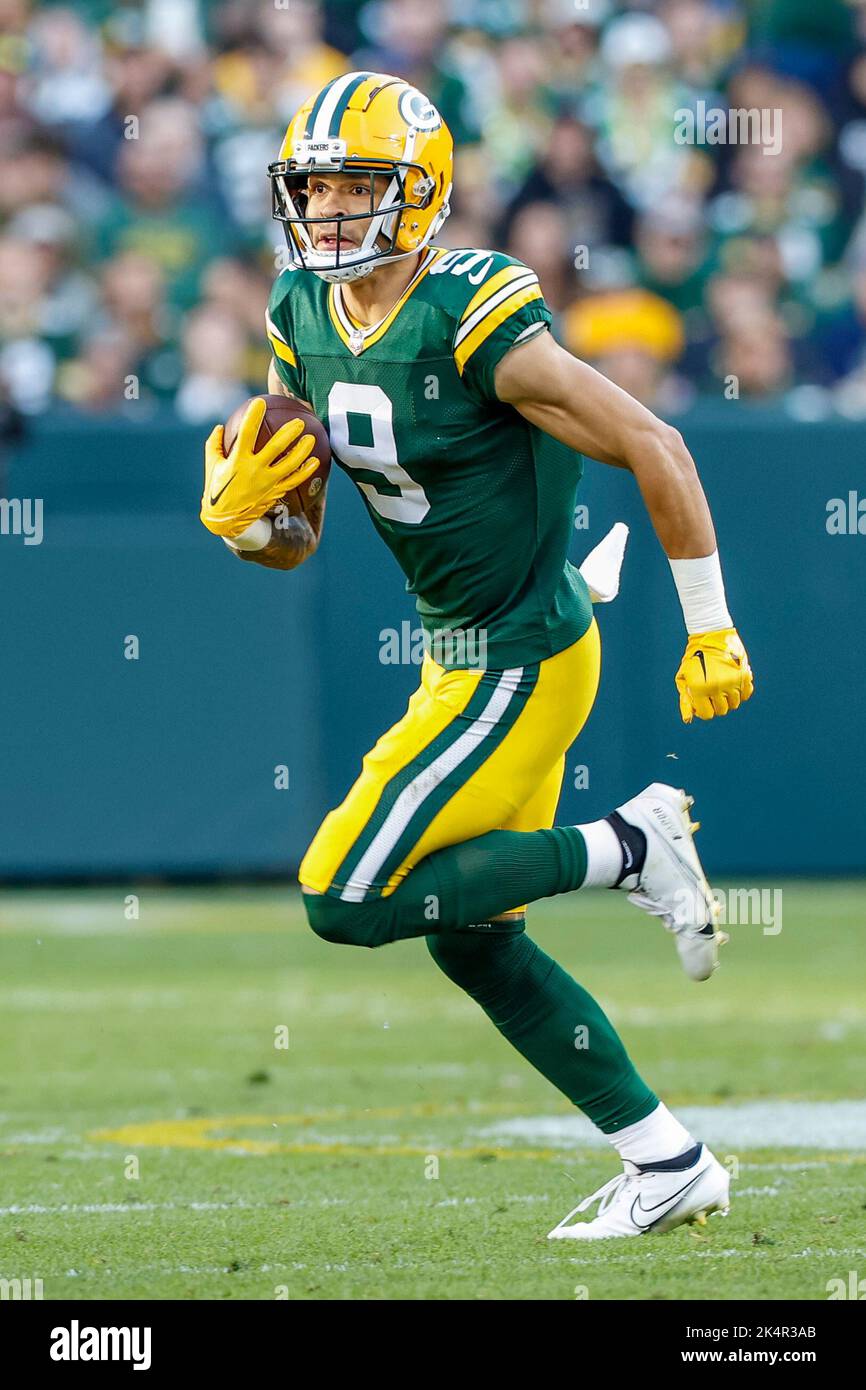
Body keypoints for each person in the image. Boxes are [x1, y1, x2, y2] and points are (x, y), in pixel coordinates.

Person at [200, 73, 754, 1241]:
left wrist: (710, 625)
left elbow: (655, 443)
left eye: (355, 187)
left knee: (342, 896)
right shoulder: (299, 308)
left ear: (419, 194)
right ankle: (664, 1161)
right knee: (466, 935)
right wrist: (258, 523)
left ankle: (624, 846)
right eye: (314, 187)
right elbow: (297, 538)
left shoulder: (474, 313)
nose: (329, 211)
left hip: (521, 649)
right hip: (460, 656)